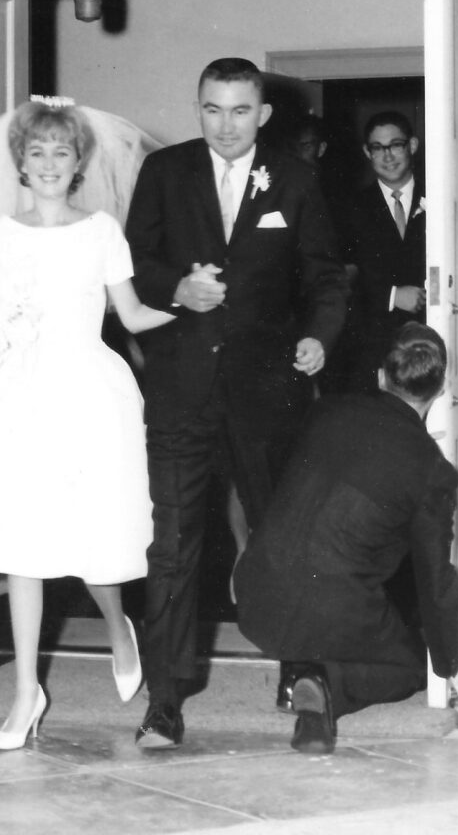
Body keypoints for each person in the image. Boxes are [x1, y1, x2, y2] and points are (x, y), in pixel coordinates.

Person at [125, 57, 348, 748]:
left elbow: (327, 279)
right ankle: (164, 701)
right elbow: (132, 262)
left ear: (264, 114)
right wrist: (174, 290)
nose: (225, 125)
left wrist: (316, 337)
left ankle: (302, 677)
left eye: (240, 111)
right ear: (198, 109)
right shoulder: (165, 173)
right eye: (211, 110)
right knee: (172, 548)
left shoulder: (296, 178)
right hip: (180, 393)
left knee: (280, 542)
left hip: (265, 395)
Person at [0, 98, 175, 751]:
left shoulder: (101, 230)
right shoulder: (2, 234)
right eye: (36, 152)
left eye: (60, 152)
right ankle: (27, 690)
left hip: (87, 394)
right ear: (20, 163)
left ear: (78, 162)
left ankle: (115, 626)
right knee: (24, 543)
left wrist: (195, 309)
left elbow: (132, 317)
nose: (48, 163)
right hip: (19, 396)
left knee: (90, 538)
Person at [235, 323, 458, 755]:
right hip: (327, 604)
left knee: (334, 582)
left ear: (381, 376)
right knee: (408, 666)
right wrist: (453, 662)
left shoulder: (328, 412)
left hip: (256, 593)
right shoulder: (431, 470)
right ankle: (321, 685)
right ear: (440, 389)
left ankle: (304, 667)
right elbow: (434, 578)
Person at [345, 110, 426, 393]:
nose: (388, 156)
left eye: (396, 145)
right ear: (368, 152)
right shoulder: (350, 208)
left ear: (412, 146)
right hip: (374, 346)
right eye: (378, 148)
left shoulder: (443, 197)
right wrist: (392, 295)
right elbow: (338, 279)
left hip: (432, 338)